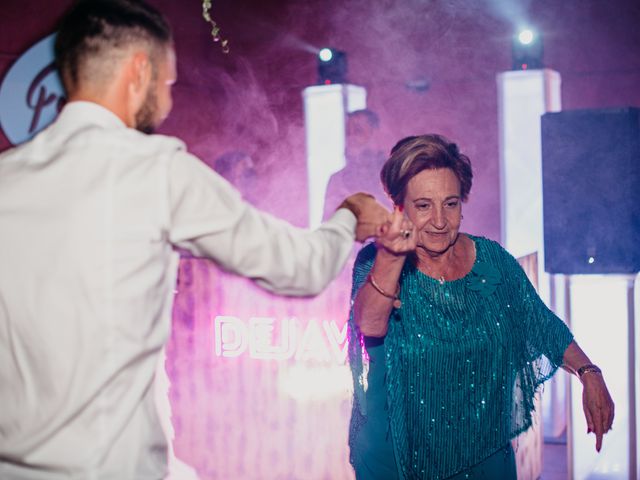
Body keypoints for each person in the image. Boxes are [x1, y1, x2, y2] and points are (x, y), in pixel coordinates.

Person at [0, 1, 390, 478]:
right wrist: (348, 218)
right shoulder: (156, 170)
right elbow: (299, 268)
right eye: (168, 84)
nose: (167, 102)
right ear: (139, 70)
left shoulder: (6, 179)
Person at [347, 134, 614, 479]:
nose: (440, 221)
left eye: (451, 203)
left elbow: (539, 323)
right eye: (424, 205)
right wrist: (391, 257)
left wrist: (589, 373)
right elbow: (368, 324)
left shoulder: (492, 260)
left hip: (486, 454)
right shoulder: (377, 260)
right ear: (400, 208)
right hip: (400, 459)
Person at [323, 109, 389, 219]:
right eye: (348, 132)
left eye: (358, 131)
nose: (351, 137)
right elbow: (328, 226)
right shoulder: (337, 181)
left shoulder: (393, 177)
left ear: (376, 134)